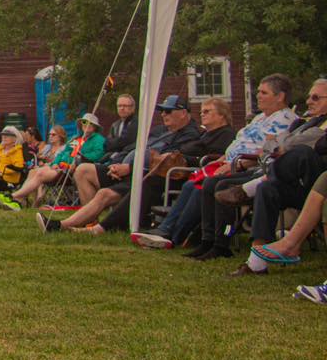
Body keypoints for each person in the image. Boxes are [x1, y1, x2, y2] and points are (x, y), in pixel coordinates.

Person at [39, 95, 207, 234]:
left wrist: (129, 167)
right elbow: (131, 146)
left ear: (184, 113)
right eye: (162, 111)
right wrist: (116, 163)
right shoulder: (158, 130)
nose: (163, 115)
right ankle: (87, 222)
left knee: (104, 193)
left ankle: (70, 227)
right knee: (83, 170)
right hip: (125, 167)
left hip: (146, 175)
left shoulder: (190, 135)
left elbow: (167, 161)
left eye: (168, 111)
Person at [188, 74, 298, 262]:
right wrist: (222, 161)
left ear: (280, 96)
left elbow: (269, 151)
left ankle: (222, 243)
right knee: (209, 182)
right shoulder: (259, 118)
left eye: (264, 92)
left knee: (220, 185)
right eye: (258, 92)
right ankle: (208, 239)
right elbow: (239, 143)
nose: (258, 96)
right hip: (235, 164)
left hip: (260, 170)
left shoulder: (286, 120)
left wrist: (236, 164)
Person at [129, 96, 237, 249]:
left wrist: (182, 158)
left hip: (203, 172)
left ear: (222, 114)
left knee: (190, 186)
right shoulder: (206, 134)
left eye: (207, 111)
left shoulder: (225, 134)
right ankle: (165, 230)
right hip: (192, 173)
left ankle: (173, 234)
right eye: (201, 112)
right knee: (187, 185)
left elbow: (214, 159)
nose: (202, 114)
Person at [9, 117, 106, 207]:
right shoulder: (77, 139)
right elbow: (64, 152)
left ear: (95, 127)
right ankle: (20, 198)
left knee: (40, 173)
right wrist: (55, 162)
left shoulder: (98, 139)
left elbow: (98, 155)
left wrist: (77, 159)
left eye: (89, 123)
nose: (86, 125)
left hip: (74, 169)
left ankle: (14, 196)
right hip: (61, 166)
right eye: (84, 122)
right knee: (34, 171)